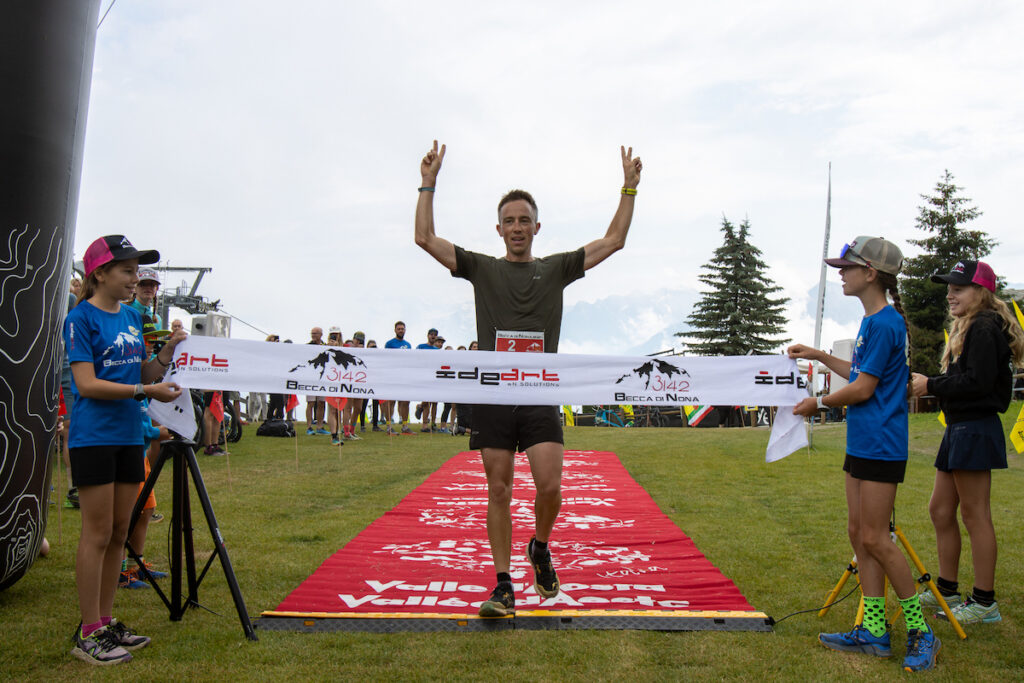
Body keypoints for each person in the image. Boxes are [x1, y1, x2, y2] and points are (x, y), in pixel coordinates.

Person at [414, 140, 642, 618]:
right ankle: (502, 586)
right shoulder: (481, 268)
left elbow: (613, 242)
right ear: (499, 229)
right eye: (509, 221)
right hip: (494, 396)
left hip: (540, 394)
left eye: (525, 220)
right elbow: (425, 238)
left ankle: (539, 547)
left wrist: (628, 189)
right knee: (498, 489)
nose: (517, 228)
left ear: (537, 227)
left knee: (549, 486)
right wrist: (428, 184)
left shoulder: (555, 268)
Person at [788, 236, 939, 672]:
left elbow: (863, 388)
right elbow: (858, 372)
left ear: (870, 272)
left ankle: (920, 630)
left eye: (846, 267)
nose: (840, 273)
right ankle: (873, 631)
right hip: (864, 443)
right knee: (859, 533)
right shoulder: (874, 322)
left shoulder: (885, 323)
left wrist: (818, 403)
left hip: (881, 444)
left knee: (875, 537)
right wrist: (818, 355)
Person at [64, 235, 186, 664]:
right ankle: (88, 631)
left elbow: (146, 370)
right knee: (96, 533)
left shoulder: (134, 316)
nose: (136, 280)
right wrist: (145, 388)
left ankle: (106, 619)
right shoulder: (80, 318)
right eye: (128, 271)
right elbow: (87, 384)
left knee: (120, 531)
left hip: (130, 434)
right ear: (100, 273)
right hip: (94, 436)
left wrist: (168, 351)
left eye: (137, 272)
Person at [910, 260, 1024, 625]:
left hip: (975, 428)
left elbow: (977, 383)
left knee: (976, 516)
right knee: (940, 510)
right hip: (959, 429)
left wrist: (931, 385)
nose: (950, 294)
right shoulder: (970, 328)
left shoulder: (986, 328)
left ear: (981, 292)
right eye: (949, 288)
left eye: (958, 288)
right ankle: (947, 589)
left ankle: (984, 602)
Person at [383, 321, 414, 435]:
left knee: (405, 401)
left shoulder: (408, 345)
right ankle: (389, 426)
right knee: (391, 401)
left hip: (405, 376)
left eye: (403, 329)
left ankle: (405, 426)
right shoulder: (389, 344)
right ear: (395, 330)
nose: (401, 330)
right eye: (399, 329)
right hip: (392, 376)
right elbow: (386, 359)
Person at [416, 329, 441, 431]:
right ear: (428, 336)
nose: (433, 336)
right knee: (426, 399)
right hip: (423, 375)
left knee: (432, 400)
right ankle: (424, 422)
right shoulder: (421, 347)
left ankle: (429, 424)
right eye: (431, 334)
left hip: (434, 376)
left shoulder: (437, 350)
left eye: (435, 335)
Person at [305, 327, 329, 435]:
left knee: (321, 402)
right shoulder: (307, 346)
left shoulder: (326, 346)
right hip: (311, 378)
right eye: (312, 333)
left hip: (322, 378)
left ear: (321, 334)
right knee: (310, 403)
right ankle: (309, 427)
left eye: (315, 333)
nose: (313, 335)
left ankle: (320, 426)